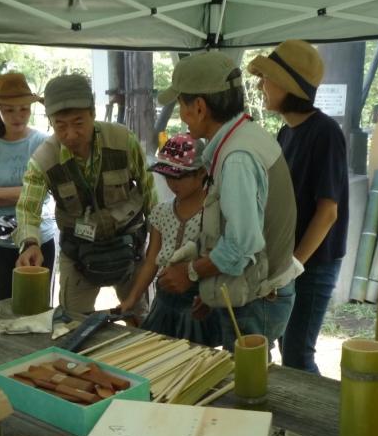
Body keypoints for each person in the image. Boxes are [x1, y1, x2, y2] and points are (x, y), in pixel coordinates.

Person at [156, 52, 300, 352]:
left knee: (244, 389)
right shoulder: (248, 135)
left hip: (259, 298)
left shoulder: (237, 158)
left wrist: (192, 272)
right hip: (252, 290)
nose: (180, 115)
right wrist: (213, 289)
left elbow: (242, 245)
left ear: (199, 106)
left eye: (181, 104)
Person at [15, 74, 158, 316]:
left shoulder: (123, 140)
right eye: (61, 125)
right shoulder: (43, 161)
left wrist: (157, 244)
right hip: (78, 251)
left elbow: (148, 191)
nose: (71, 134)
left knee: (139, 317)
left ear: (93, 114)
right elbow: (28, 208)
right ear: (50, 122)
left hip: (128, 245)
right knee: (72, 322)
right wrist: (30, 243)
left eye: (79, 122)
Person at [249, 40, 349, 374]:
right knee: (284, 345)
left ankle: (321, 422)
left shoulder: (326, 133)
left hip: (314, 263)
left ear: (289, 86)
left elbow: (328, 211)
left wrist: (294, 265)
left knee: (297, 353)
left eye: (267, 78)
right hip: (288, 259)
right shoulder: (285, 133)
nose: (261, 85)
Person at [118, 133, 218, 345]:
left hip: (198, 301)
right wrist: (132, 299)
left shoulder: (214, 212)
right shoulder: (161, 212)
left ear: (201, 172)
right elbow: (151, 260)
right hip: (163, 300)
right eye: (167, 176)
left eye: (179, 176)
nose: (172, 183)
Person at [0, 72, 56, 302]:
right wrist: (25, 192)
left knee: (37, 305)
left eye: (24, 109)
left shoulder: (42, 142)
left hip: (39, 237)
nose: (18, 116)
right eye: (9, 110)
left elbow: (43, 192)